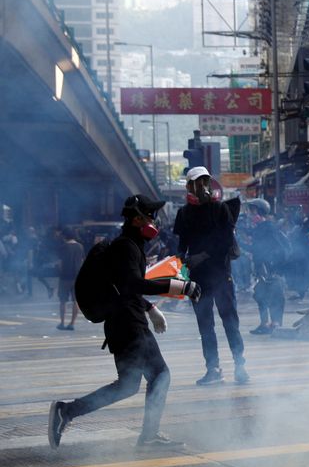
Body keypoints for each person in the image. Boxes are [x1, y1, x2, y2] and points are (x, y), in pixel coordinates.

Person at [47, 195, 201, 450]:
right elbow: (132, 284)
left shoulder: (130, 245)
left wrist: (150, 309)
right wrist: (179, 286)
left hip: (122, 323)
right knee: (161, 375)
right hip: (129, 325)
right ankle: (148, 437)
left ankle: (67, 411)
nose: (154, 220)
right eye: (150, 215)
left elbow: (123, 287)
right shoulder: (127, 246)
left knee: (128, 386)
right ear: (137, 218)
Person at [173, 166, 249, 385]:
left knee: (230, 322)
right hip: (198, 278)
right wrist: (178, 260)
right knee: (205, 325)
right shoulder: (184, 213)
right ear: (189, 186)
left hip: (221, 275)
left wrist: (202, 256)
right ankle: (213, 368)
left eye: (205, 181)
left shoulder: (220, 209)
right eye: (197, 182)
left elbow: (225, 242)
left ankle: (240, 365)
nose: (201, 186)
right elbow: (181, 244)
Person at [245, 199, 288, 335]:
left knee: (275, 295)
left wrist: (272, 264)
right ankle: (265, 324)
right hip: (262, 268)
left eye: (252, 210)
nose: (250, 214)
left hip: (270, 269)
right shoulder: (260, 228)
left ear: (259, 211)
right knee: (260, 295)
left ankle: (275, 324)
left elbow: (275, 248)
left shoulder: (268, 227)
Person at [56, 227, 85, 330]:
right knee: (75, 301)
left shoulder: (63, 247)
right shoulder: (80, 247)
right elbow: (82, 262)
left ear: (65, 236)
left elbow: (60, 264)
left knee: (63, 300)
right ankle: (72, 323)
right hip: (77, 277)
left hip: (65, 277)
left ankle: (62, 323)